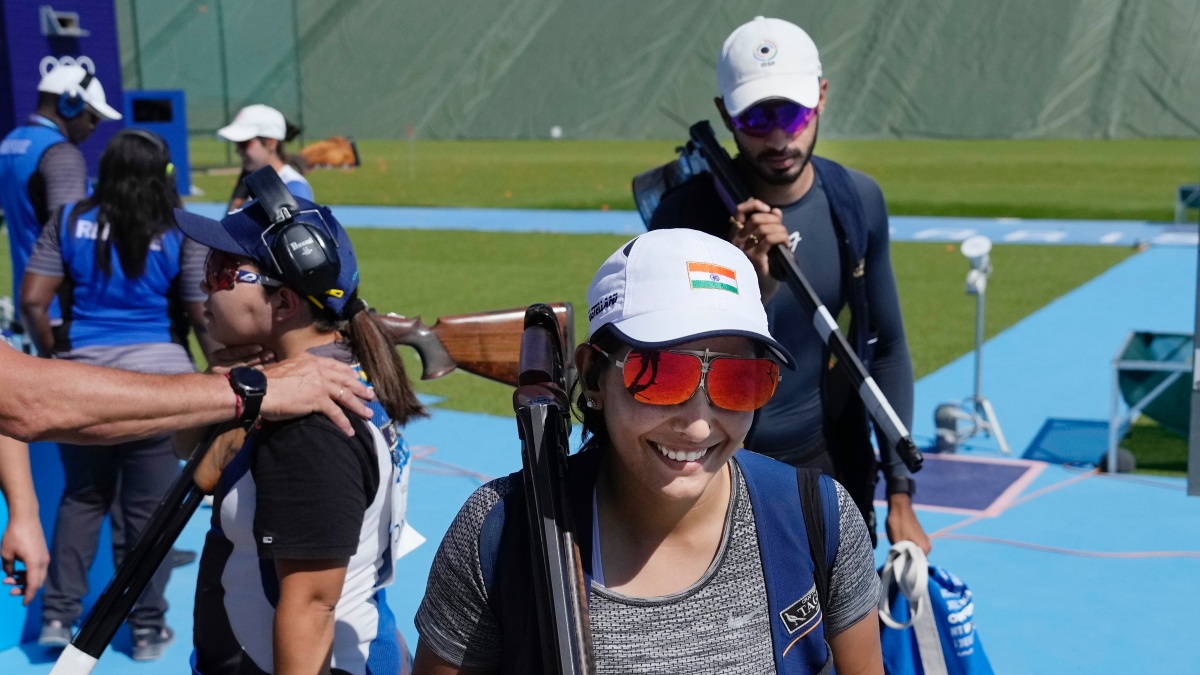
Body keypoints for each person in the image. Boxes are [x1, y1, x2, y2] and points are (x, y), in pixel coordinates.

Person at [413, 229, 882, 674]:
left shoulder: (818, 517)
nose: (698, 424)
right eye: (661, 375)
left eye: (739, 381)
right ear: (593, 375)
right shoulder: (501, 531)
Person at [648, 16, 930, 553]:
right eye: (756, 117)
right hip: (715, 472)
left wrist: (900, 492)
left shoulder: (856, 200)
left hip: (835, 470)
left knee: (843, 633)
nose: (778, 137)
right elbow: (668, 372)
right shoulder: (682, 218)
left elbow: (885, 348)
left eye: (792, 113)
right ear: (724, 114)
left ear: (821, 98)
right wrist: (747, 287)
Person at [174, 174, 424, 674]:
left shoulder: (309, 425)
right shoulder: (291, 386)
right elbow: (190, 449)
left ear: (284, 303)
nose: (204, 285)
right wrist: (222, 376)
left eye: (223, 271)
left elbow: (311, 606)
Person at [18, 128, 200, 657]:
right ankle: (146, 629)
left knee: (82, 499)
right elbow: (200, 314)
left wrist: (56, 355)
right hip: (158, 389)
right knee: (149, 512)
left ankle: (57, 617)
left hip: (82, 385)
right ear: (163, 174)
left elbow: (32, 299)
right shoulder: (178, 229)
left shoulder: (69, 219)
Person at [0, 63, 123, 345]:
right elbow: (75, 235)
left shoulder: (10, 142)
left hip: (30, 297)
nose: (93, 127)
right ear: (70, 104)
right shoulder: (61, 154)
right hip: (61, 305)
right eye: (92, 117)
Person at [218, 104, 311, 211]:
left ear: (271, 142)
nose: (238, 151)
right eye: (237, 144)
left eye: (244, 143)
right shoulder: (249, 180)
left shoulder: (294, 188)